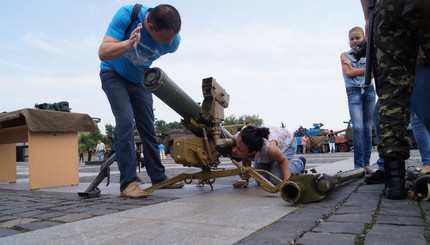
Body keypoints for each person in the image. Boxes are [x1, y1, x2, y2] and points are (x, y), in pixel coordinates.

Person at [98, 4, 184, 198]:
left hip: (139, 80)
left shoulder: (173, 42)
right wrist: (128, 45)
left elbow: (162, 50)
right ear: (151, 28)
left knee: (148, 126)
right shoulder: (128, 15)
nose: (170, 42)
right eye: (166, 38)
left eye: (173, 37)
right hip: (113, 74)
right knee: (126, 120)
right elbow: (103, 52)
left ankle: (159, 178)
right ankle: (128, 183)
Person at [361, 0, 430, 199]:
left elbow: (368, 11)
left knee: (392, 94)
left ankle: (395, 180)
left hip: (388, 7)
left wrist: (369, 23)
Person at [340, 26, 376, 174]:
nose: (354, 41)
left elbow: (373, 74)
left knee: (368, 128)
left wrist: (355, 70)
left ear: (363, 39)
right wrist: (365, 70)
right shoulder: (344, 55)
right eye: (352, 38)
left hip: (369, 91)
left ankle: (366, 164)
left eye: (357, 38)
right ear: (349, 41)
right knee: (358, 128)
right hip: (353, 92)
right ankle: (358, 164)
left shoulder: (370, 54)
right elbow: (348, 74)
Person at [231, 126, 306, 188]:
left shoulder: (270, 149)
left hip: (286, 144)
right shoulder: (240, 139)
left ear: (252, 152)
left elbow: (282, 161)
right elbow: (245, 159)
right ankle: (273, 163)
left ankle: (300, 163)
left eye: (238, 149)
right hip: (268, 152)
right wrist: (245, 179)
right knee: (260, 180)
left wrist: (287, 183)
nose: (233, 150)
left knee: (276, 179)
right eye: (235, 145)